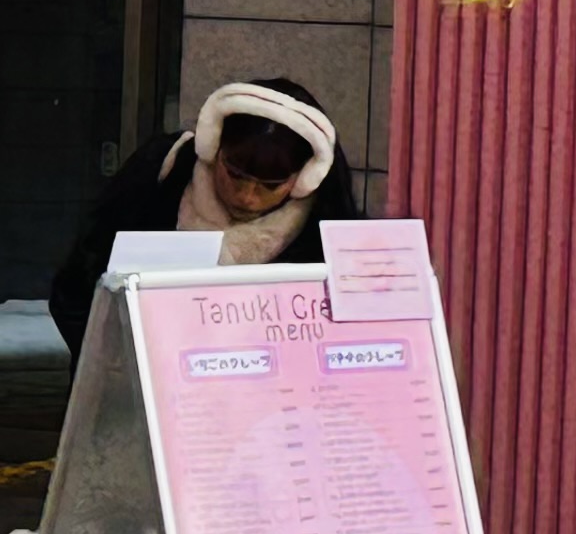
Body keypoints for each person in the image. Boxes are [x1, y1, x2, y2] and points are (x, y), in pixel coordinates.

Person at [47, 78, 361, 356]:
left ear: (306, 178)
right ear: (213, 146)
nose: (247, 196)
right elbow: (77, 287)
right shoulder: (162, 174)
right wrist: (117, 360)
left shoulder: (327, 228)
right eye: (235, 175)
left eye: (271, 185)